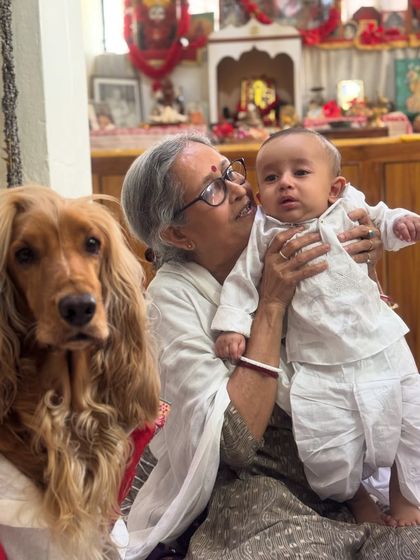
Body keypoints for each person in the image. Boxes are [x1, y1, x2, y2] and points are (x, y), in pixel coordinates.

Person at [121, 132, 420, 560]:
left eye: (230, 171)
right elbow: (235, 447)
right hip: (259, 479)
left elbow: (351, 342)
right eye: (213, 189)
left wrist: (364, 265)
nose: (241, 188)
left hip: (343, 441)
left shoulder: (284, 230)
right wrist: (271, 303)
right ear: (178, 235)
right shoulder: (174, 297)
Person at [212, 127, 420, 527]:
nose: (285, 183)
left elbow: (380, 218)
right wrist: (232, 326)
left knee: (409, 418)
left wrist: (399, 226)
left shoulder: (348, 206)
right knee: (327, 444)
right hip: (318, 361)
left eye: (300, 173)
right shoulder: (265, 235)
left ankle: (404, 496)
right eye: (271, 178)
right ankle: (356, 497)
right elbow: (242, 281)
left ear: (334, 187)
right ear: (261, 197)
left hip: (380, 341)